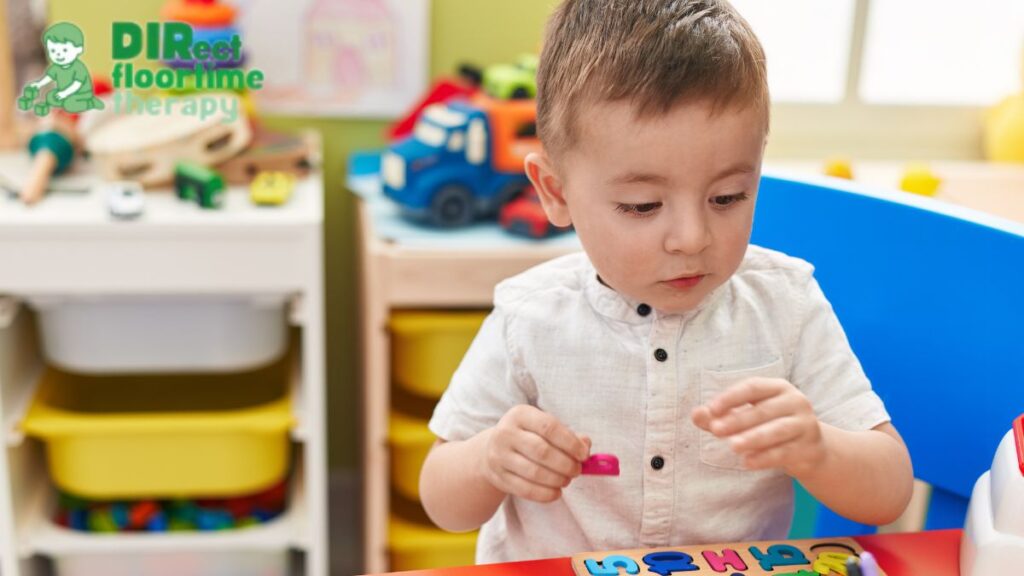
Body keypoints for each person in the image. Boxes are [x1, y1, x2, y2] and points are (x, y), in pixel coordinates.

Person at [419, 0, 914, 563]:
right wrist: (489, 459)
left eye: (727, 197)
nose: (691, 237)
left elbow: (889, 492)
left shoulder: (785, 305)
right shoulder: (530, 318)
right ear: (555, 192)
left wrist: (819, 449)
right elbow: (442, 501)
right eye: (642, 205)